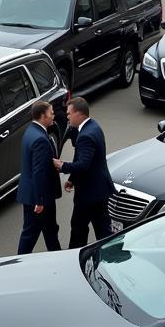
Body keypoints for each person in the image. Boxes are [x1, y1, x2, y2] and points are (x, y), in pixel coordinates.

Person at [52, 98, 113, 249]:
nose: (67, 117)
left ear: (79, 114)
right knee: (103, 230)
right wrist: (72, 179)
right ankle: (110, 257)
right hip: (99, 190)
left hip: (89, 194)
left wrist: (62, 165)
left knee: (78, 229)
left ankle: (74, 259)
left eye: (69, 114)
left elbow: (83, 165)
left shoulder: (85, 136)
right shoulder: (94, 126)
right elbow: (84, 160)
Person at [16, 101, 62, 255]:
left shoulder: (31, 131)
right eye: (51, 112)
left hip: (33, 194)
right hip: (39, 198)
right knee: (31, 234)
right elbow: (39, 172)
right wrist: (40, 200)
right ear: (42, 116)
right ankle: (18, 264)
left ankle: (57, 257)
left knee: (50, 230)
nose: (53, 115)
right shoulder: (40, 139)